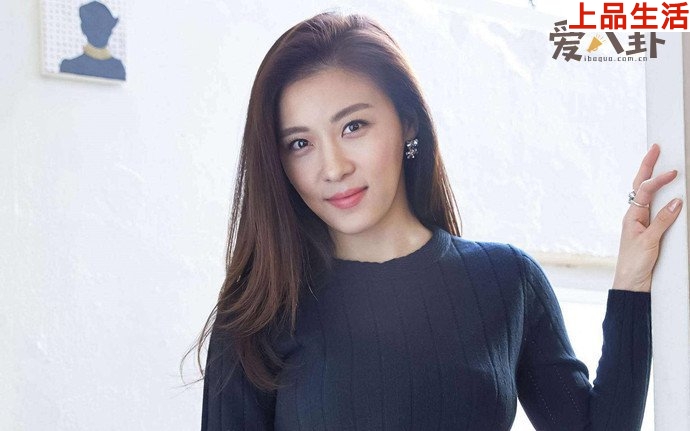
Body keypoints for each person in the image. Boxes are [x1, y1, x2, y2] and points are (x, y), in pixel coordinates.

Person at [190, 11, 682, 430]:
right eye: (300, 143)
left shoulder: (507, 281)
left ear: (408, 122)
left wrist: (631, 281)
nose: (333, 167)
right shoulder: (258, 313)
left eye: (354, 126)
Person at [59, 1, 126, 81]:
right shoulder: (70, 67)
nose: (106, 32)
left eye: (106, 28)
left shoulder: (117, 68)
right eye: (99, 29)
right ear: (84, 29)